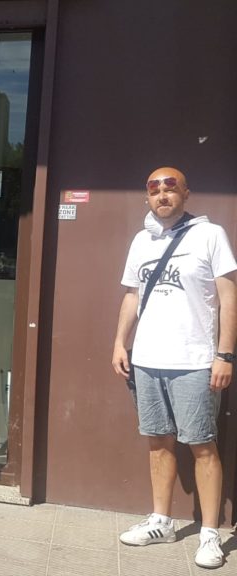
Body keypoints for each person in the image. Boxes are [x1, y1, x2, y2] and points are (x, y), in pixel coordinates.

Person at [111, 166, 237, 569]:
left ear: (186, 193)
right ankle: (161, 521)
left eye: (170, 187)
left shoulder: (210, 234)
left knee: (202, 446)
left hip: (194, 362)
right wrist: (119, 342)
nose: (162, 194)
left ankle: (210, 533)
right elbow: (132, 295)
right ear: (147, 197)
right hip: (147, 361)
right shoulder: (141, 240)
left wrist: (225, 354)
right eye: (154, 189)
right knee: (158, 442)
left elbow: (229, 297)